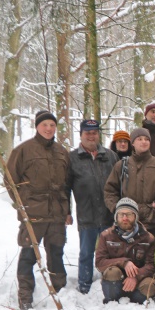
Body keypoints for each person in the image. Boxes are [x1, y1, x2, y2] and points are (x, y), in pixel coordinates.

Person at [6, 110, 70, 310]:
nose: (49, 129)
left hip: (57, 213)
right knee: (28, 254)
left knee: (57, 253)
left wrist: (67, 211)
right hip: (33, 213)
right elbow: (10, 180)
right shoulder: (23, 151)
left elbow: (68, 185)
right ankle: (25, 296)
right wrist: (23, 204)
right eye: (45, 125)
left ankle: (60, 292)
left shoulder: (62, 152)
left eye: (52, 125)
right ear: (37, 126)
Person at [68, 119, 119, 294]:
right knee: (86, 253)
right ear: (81, 135)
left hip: (108, 213)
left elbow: (119, 184)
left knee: (111, 250)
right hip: (86, 213)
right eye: (87, 133)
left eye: (94, 133)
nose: (91, 136)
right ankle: (84, 284)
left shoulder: (110, 156)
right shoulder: (73, 158)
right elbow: (65, 188)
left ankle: (111, 282)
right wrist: (67, 212)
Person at [104, 128, 155, 239]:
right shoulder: (122, 165)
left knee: (154, 255)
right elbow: (110, 190)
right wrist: (117, 208)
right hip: (128, 221)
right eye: (139, 139)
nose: (144, 142)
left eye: (146, 139)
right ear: (132, 143)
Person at [95, 197, 155, 305]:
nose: (125, 218)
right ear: (116, 216)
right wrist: (124, 263)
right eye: (121, 214)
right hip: (115, 281)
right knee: (112, 272)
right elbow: (99, 262)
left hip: (139, 281)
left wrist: (135, 276)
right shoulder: (106, 236)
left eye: (129, 214)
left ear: (136, 216)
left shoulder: (148, 238)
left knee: (150, 286)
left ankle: (135, 302)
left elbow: (152, 265)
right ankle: (113, 301)